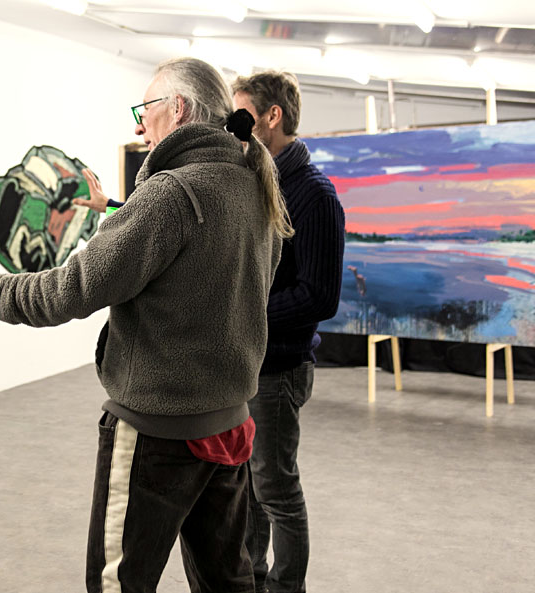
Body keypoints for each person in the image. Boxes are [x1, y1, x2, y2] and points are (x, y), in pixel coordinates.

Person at [0, 57, 292, 593]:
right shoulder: (251, 188)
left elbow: (64, 292)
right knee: (230, 584)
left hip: (159, 435)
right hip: (228, 425)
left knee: (117, 584)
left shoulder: (173, 194)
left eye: (145, 108)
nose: (138, 124)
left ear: (176, 109)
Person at [231, 72, 346, 593]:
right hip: (250, 365)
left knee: (275, 490)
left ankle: (284, 587)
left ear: (271, 116)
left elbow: (319, 296)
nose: (233, 127)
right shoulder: (258, 180)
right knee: (249, 490)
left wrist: (245, 312)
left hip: (279, 369)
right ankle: (252, 580)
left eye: (242, 115)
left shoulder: (315, 194)